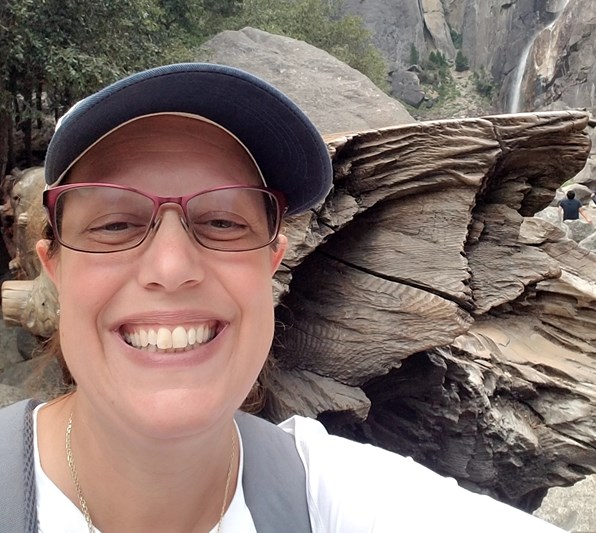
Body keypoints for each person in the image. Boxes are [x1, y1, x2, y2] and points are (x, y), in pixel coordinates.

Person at [0, 63, 564, 532]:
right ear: (54, 265)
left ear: (271, 263)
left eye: (222, 221)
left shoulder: (339, 497)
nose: (171, 268)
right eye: (115, 225)